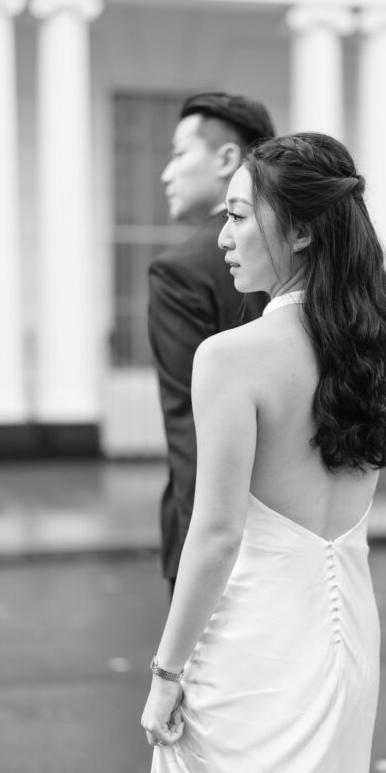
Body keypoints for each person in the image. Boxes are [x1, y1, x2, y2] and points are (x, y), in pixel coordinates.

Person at [136, 132, 386, 773]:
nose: (223, 237)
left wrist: (164, 674)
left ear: (297, 230)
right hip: (342, 645)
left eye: (236, 215)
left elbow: (218, 530)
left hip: (253, 650)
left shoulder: (231, 357)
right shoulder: (374, 346)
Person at [148, 92, 275, 592]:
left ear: (227, 159)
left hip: (217, 539)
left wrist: (201, 567)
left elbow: (192, 434)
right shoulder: (298, 257)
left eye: (180, 153)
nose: (166, 173)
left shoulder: (179, 272)